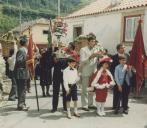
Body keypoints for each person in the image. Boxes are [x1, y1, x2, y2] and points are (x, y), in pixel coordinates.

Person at [80, 36, 101, 111]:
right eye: (92, 41)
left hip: (93, 71)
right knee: (85, 89)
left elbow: (98, 60)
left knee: (92, 89)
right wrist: (91, 57)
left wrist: (100, 56)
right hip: (85, 71)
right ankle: (84, 105)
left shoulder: (96, 49)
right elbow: (82, 61)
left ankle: (91, 104)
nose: (93, 43)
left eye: (94, 41)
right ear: (88, 42)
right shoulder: (83, 49)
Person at [110, 44, 129, 109]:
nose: (123, 49)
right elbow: (111, 68)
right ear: (118, 49)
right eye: (122, 48)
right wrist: (114, 77)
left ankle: (124, 105)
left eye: (124, 48)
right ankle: (115, 105)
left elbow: (128, 65)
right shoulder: (114, 57)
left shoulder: (127, 55)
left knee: (125, 93)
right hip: (117, 77)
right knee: (116, 92)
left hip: (125, 78)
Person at [14, 36, 29, 111]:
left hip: (24, 72)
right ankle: (20, 105)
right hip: (21, 72)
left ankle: (22, 103)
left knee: (23, 88)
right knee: (21, 89)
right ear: (25, 43)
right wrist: (27, 59)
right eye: (27, 42)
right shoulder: (21, 50)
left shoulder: (25, 50)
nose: (28, 43)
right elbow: (19, 61)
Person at [51, 48, 68, 113]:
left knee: (65, 91)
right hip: (56, 75)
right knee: (55, 92)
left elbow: (68, 64)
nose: (61, 49)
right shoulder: (55, 54)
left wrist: (65, 56)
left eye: (62, 46)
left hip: (65, 75)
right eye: (60, 47)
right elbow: (52, 63)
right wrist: (55, 58)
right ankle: (54, 107)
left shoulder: (66, 55)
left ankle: (65, 107)